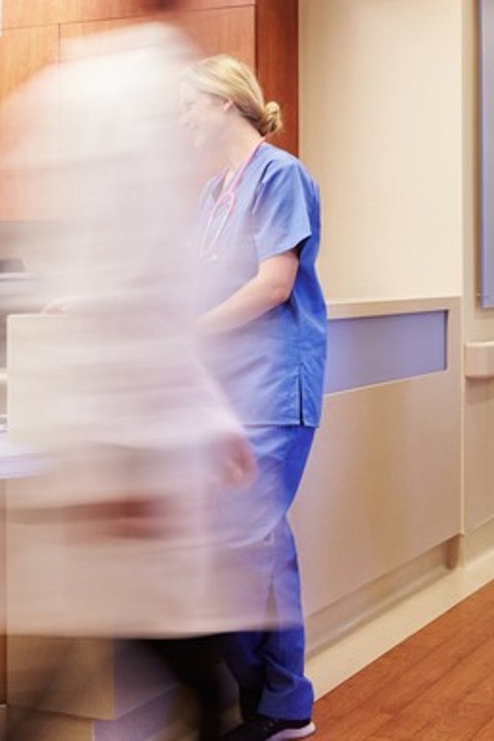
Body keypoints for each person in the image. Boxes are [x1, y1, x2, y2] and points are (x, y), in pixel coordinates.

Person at [0, 0, 269, 739]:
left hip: (92, 435)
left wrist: (205, 417)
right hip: (118, 446)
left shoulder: (59, 89)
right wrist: (127, 460)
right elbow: (137, 290)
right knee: (187, 682)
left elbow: (109, 288)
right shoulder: (144, 101)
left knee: (90, 663)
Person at [181, 54, 326, 741]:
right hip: (224, 390)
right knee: (244, 544)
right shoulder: (214, 191)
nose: (181, 117)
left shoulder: (280, 174)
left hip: (271, 386)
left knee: (246, 544)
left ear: (223, 103)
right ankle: (271, 699)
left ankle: (281, 705)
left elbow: (274, 283)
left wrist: (190, 332)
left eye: (189, 104)